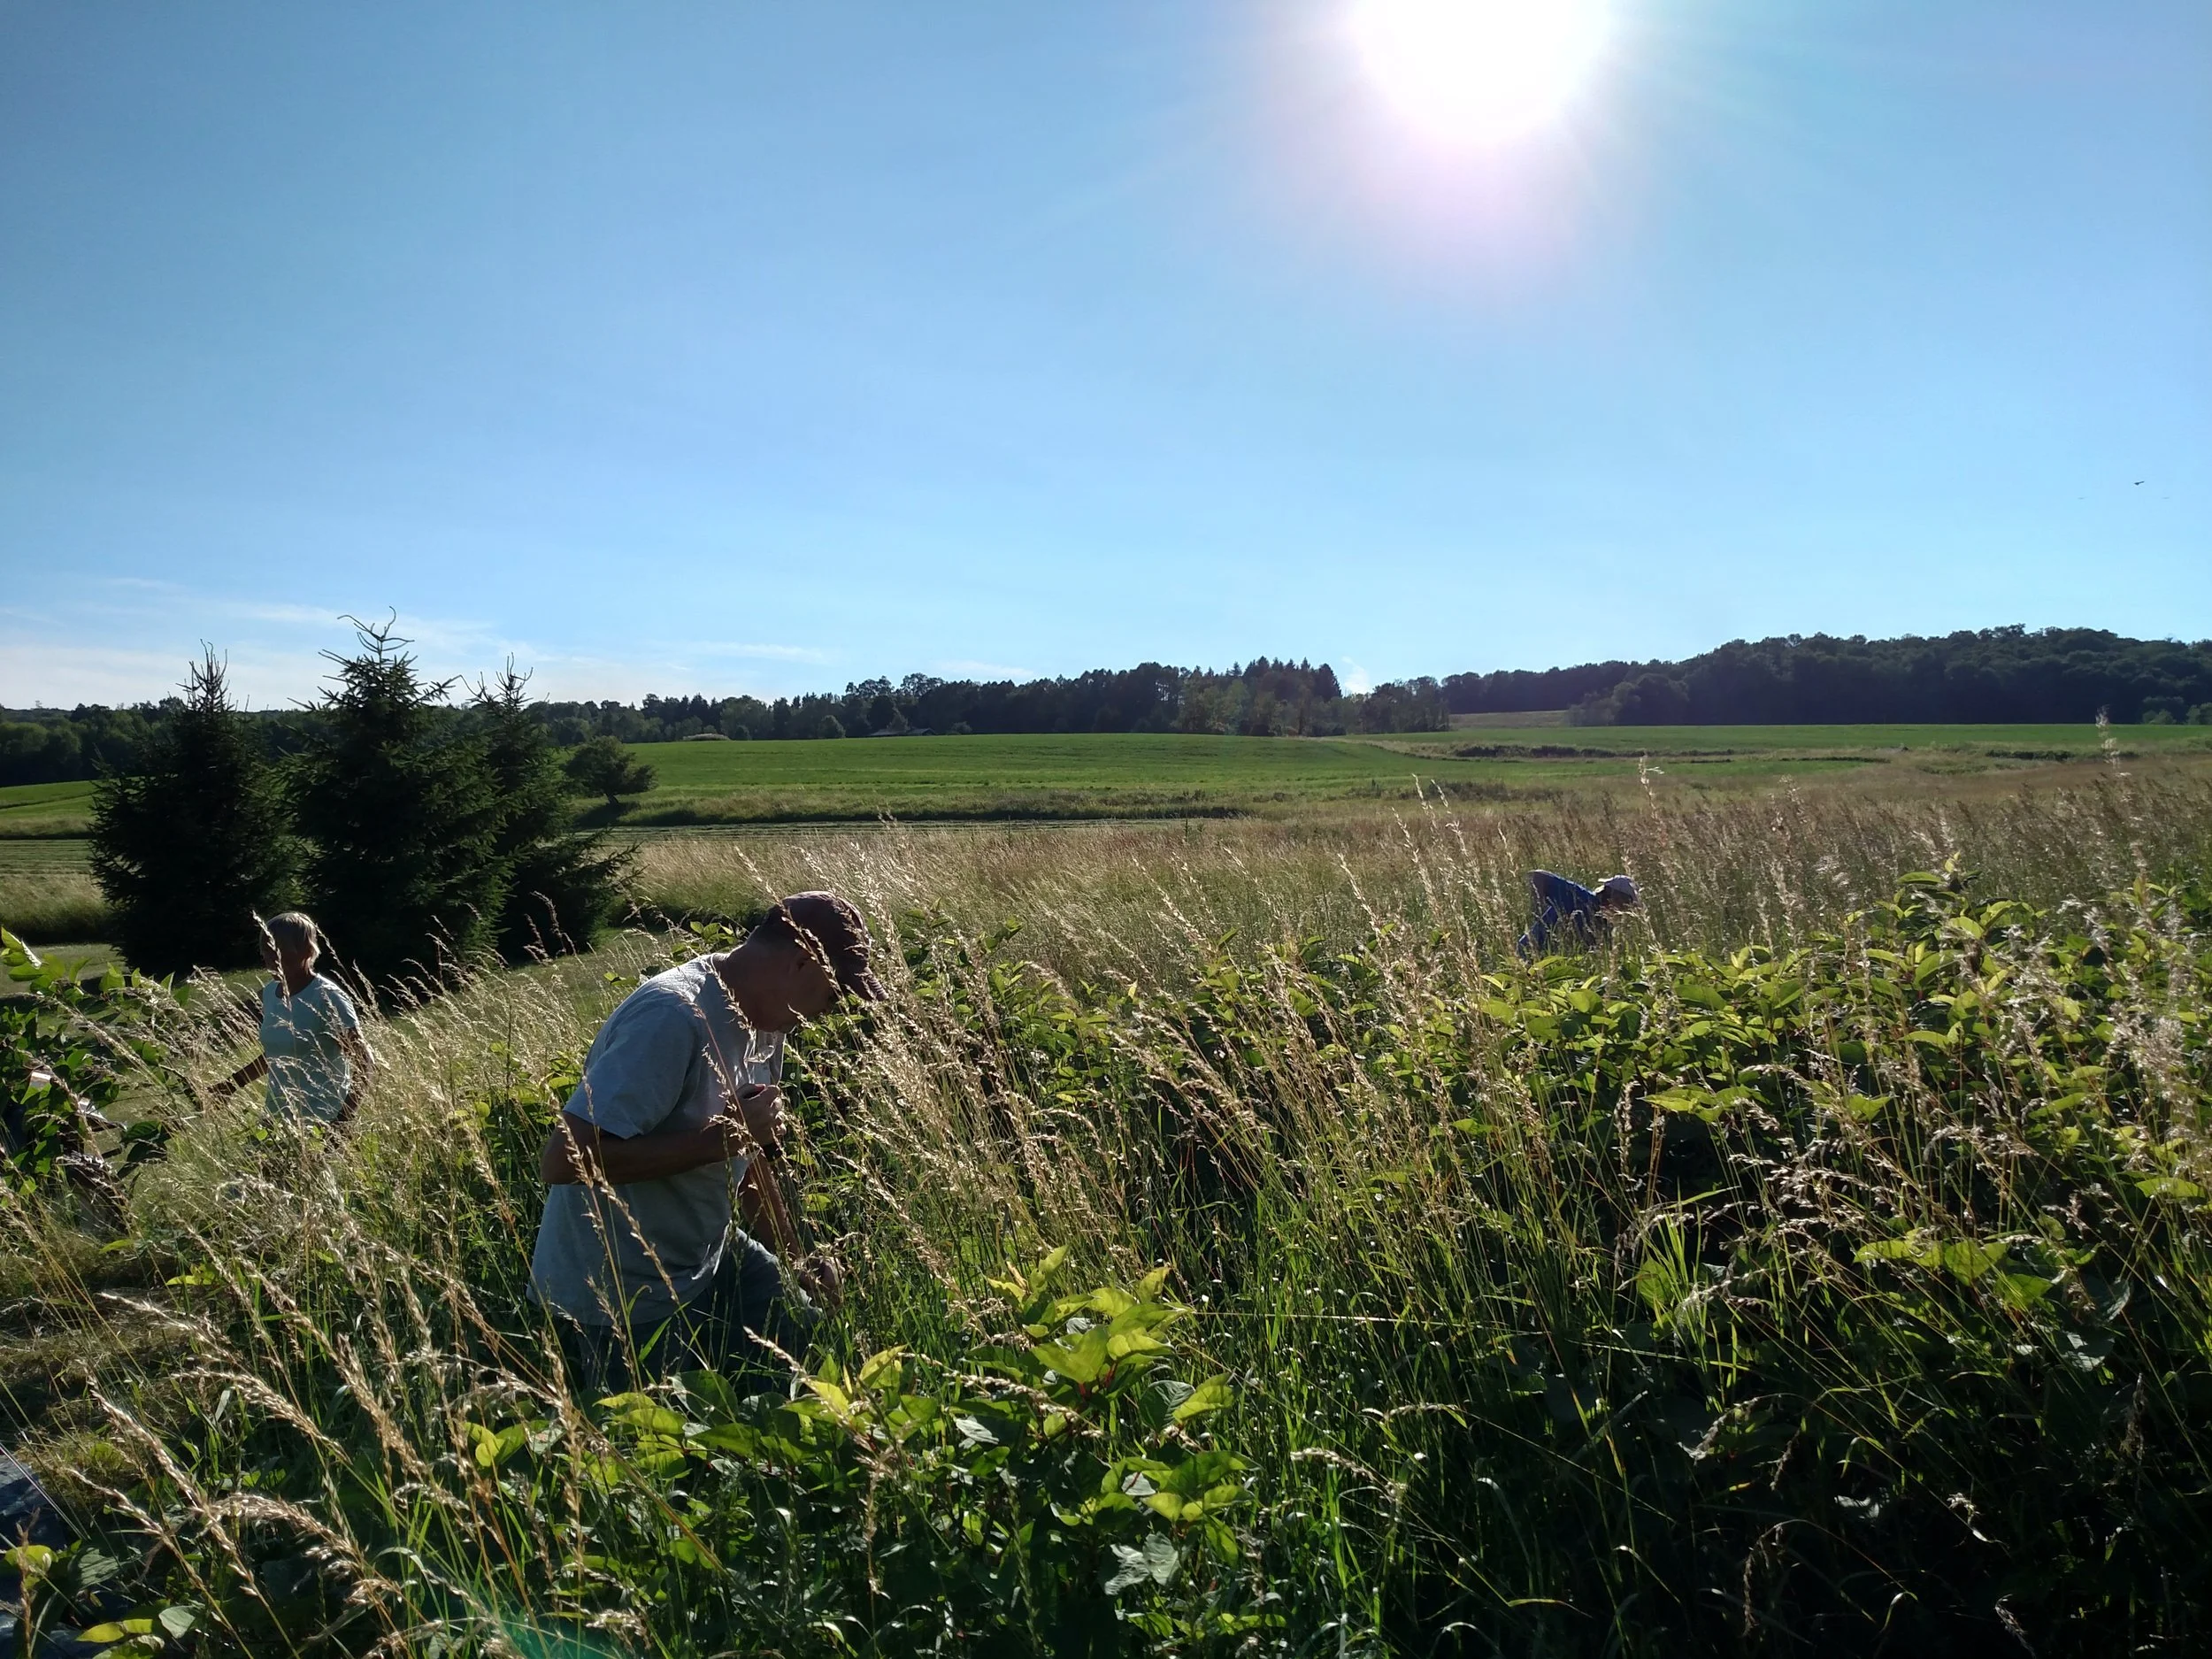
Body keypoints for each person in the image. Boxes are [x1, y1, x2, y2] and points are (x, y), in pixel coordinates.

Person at [530, 890, 886, 1392]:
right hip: (620, 1295)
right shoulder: (672, 1018)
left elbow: (747, 1155)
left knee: (812, 1354)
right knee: (671, 1445)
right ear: (801, 962)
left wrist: (795, 1259)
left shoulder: (765, 1019)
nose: (831, 1011)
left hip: (710, 1256)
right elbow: (563, 1161)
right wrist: (723, 1139)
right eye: (834, 994)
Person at [212, 912, 373, 1125]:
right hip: (276, 1119)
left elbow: (365, 1061)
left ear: (307, 951)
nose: (271, 959)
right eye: (266, 952)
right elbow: (278, 1054)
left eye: (278, 952)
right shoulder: (271, 994)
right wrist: (230, 1085)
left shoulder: (327, 997)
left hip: (321, 1122)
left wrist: (342, 1122)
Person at [1517, 871, 1640, 959]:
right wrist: (1537, 910)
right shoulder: (1580, 897)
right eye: (1627, 904)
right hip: (1527, 953)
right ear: (1614, 897)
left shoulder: (1603, 925)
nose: (1626, 910)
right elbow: (1538, 876)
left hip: (1547, 963)